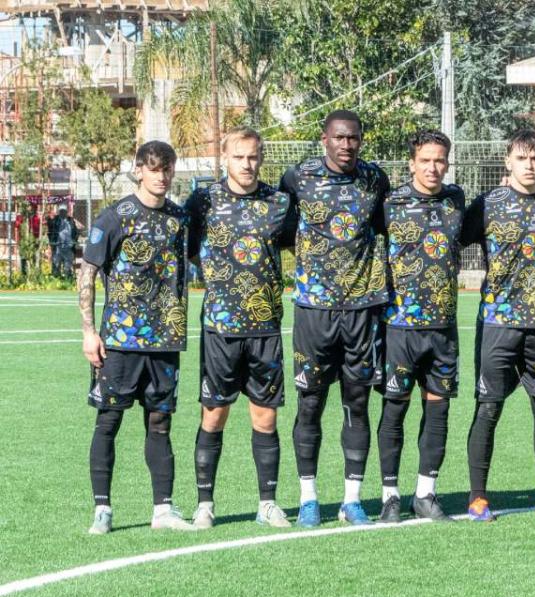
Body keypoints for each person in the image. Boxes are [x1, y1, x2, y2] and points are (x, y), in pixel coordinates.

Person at [278, 109, 390, 527]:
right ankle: (309, 498)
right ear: (324, 139)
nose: (347, 145)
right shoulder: (297, 177)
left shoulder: (375, 178)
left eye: (354, 138)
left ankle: (352, 499)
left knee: (356, 404)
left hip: (363, 311)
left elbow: (382, 227)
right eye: (340, 138)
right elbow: (282, 227)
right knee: (310, 403)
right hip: (314, 311)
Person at [461, 128, 535, 521]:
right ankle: (477, 497)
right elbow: (453, 242)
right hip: (497, 323)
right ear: (507, 162)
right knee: (488, 408)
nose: (530, 165)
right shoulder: (488, 204)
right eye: (522, 158)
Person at [78, 140, 194, 533]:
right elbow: (88, 274)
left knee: (160, 423)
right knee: (108, 421)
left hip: (165, 341)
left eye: (167, 168)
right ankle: (102, 509)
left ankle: (163, 509)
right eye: (154, 168)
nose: (161, 176)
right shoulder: (115, 217)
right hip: (121, 342)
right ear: (139, 170)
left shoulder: (180, 219)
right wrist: (89, 332)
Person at [184, 127, 293, 529]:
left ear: (261, 159)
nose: (247, 165)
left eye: (253, 157)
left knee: (265, 419)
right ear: (224, 158)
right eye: (239, 157)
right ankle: (205, 504)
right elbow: (190, 247)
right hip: (220, 328)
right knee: (213, 416)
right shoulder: (204, 200)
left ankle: (268, 503)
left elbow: (291, 244)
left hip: (265, 328)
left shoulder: (279, 203)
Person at [375, 129, 465, 523]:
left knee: (438, 410)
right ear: (412, 163)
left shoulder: (456, 200)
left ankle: (426, 493)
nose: (433, 167)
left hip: (443, 329)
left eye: (439, 160)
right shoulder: (389, 203)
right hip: (398, 327)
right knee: (394, 410)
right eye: (425, 160)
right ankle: (389, 496)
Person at [52, 208, 77, 278]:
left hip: (68, 246)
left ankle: (68, 277)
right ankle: (56, 277)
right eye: (61, 212)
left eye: (64, 211)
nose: (62, 213)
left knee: (68, 265)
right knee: (57, 263)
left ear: (66, 212)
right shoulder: (56, 221)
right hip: (58, 246)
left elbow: (75, 232)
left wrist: (74, 242)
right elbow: (51, 231)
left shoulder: (71, 221)